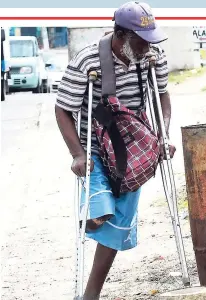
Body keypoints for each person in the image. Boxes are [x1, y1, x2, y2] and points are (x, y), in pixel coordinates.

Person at [54, 2, 176, 299]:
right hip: (95, 148)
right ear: (121, 35)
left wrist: (163, 135)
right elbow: (62, 110)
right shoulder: (87, 60)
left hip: (133, 149)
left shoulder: (153, 58)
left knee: (117, 219)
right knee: (102, 212)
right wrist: (77, 154)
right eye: (141, 40)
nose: (148, 47)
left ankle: (91, 291)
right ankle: (91, 287)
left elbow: (163, 99)